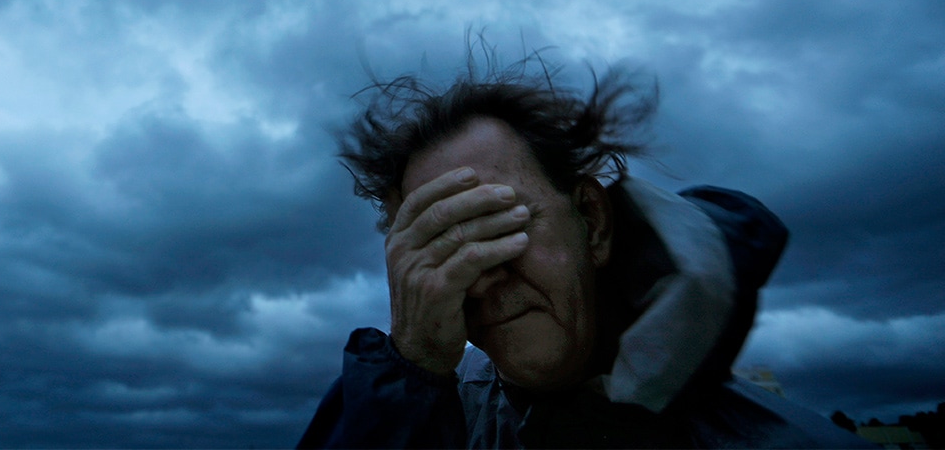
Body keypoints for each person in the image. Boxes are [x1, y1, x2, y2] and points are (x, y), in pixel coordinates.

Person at [298, 54, 869, 448]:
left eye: (497, 222)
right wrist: (410, 372)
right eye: (441, 246)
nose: (481, 275)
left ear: (592, 222)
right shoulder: (439, 418)